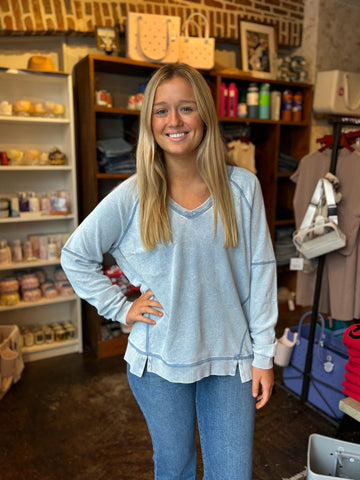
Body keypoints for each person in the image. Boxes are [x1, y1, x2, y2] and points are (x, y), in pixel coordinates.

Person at [61, 63, 278, 480]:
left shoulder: (242, 188)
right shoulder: (133, 195)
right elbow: (76, 255)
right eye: (161, 111)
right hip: (158, 361)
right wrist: (120, 307)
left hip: (231, 358)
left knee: (232, 472)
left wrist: (264, 355)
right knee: (174, 468)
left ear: (205, 116)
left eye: (186, 108)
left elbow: (262, 272)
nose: (174, 121)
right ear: (149, 122)